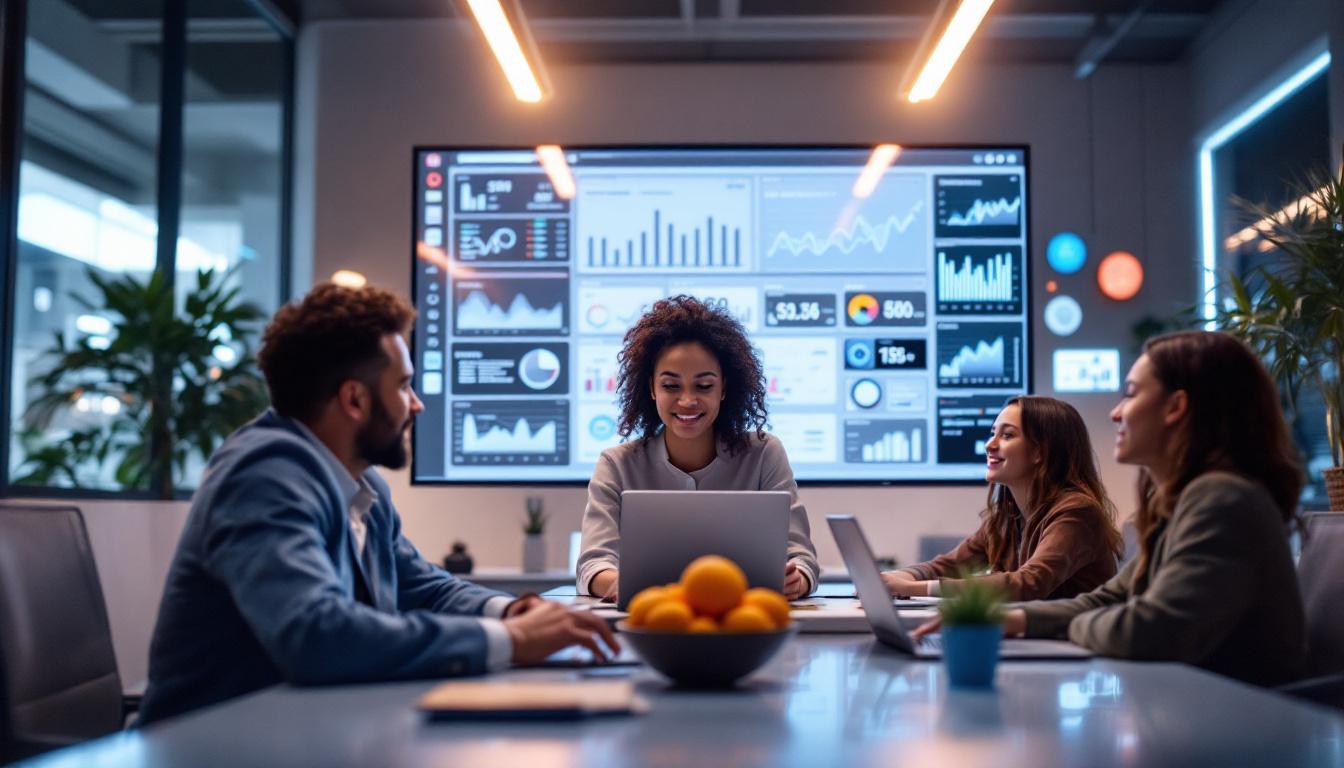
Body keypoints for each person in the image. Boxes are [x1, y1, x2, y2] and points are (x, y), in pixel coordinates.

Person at [139, 284, 615, 724]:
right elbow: (314, 635)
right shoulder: (264, 476)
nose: (417, 404)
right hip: (214, 745)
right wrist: (509, 642)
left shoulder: (360, 484)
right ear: (354, 400)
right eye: (404, 385)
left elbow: (422, 587)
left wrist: (511, 614)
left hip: (306, 732)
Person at [916, 331, 1306, 687]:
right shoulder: (1181, 503)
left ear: (1176, 407)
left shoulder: (1222, 499)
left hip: (1238, 726)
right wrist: (1015, 619)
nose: (1115, 412)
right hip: (1193, 705)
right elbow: (1106, 600)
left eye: (1131, 394)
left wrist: (1059, 624)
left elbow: (1150, 630)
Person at [578, 296, 820, 601]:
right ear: (651, 388)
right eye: (671, 386)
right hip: (655, 620)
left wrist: (797, 579)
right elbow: (593, 564)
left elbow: (802, 559)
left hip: (743, 623)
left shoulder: (764, 454)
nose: (688, 401)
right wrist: (616, 582)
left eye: (704, 386)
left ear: (724, 389)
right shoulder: (617, 464)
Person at [882, 396, 1122, 600]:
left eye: (1007, 436)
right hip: (1033, 640)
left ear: (1040, 451)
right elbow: (949, 565)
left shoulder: (1077, 512)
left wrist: (915, 588)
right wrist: (901, 577)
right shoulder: (1008, 516)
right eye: (992, 433)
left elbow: (1029, 583)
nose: (989, 444)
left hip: (1072, 646)